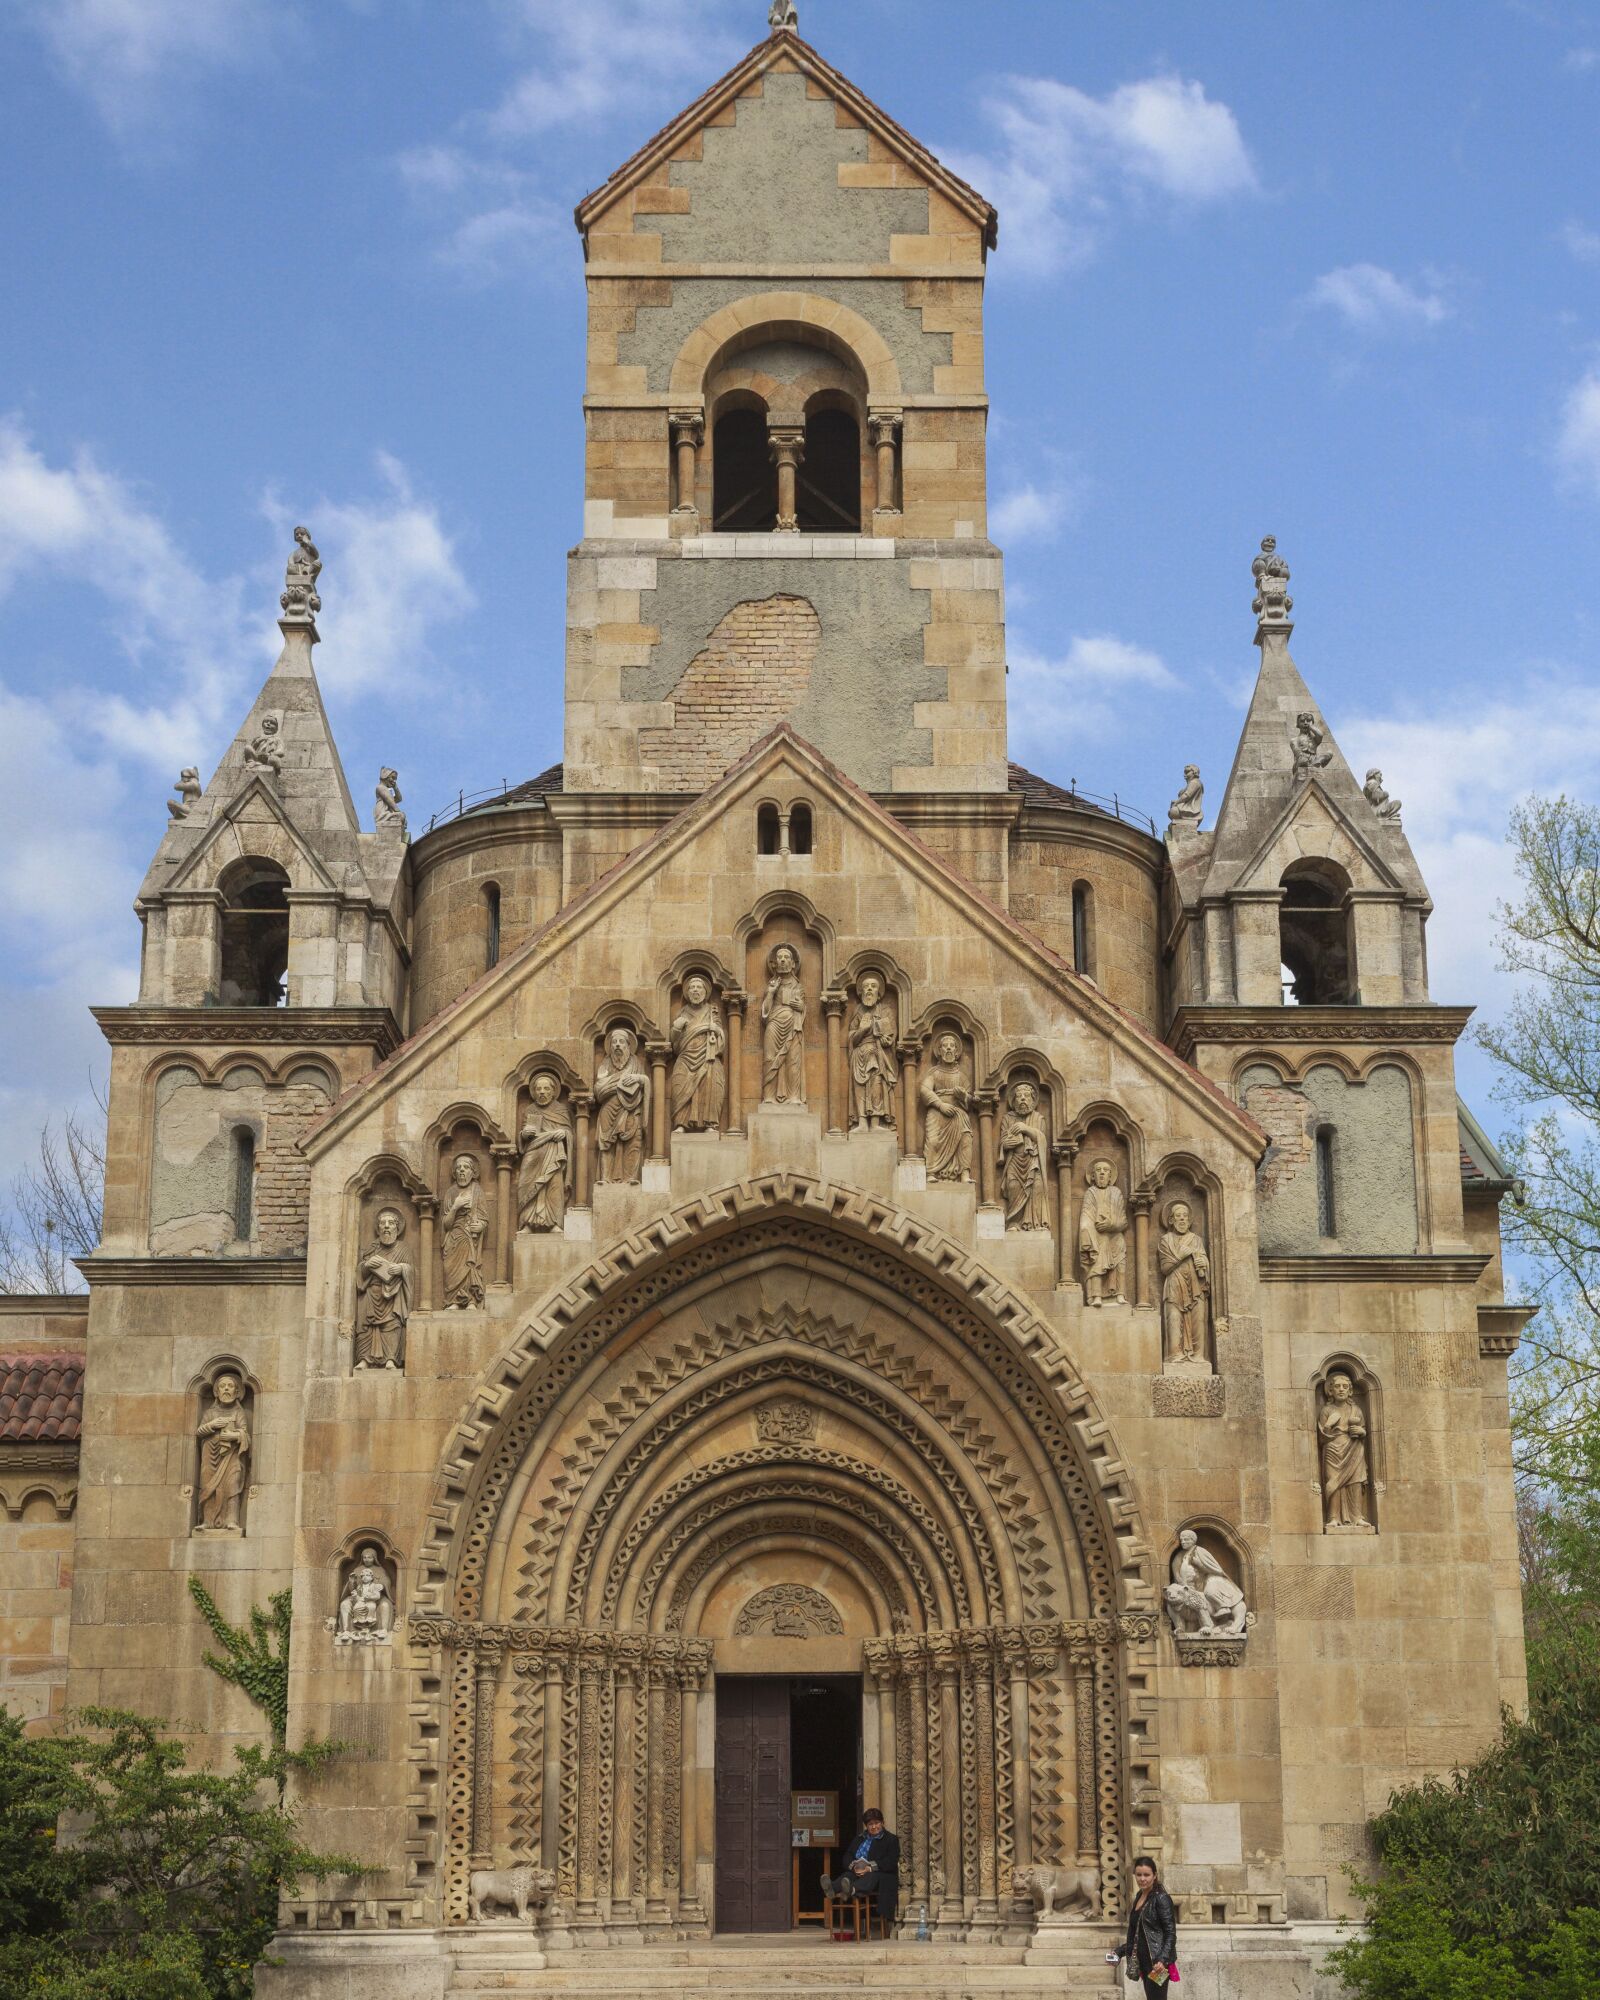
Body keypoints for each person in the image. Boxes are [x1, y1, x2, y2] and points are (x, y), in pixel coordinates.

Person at [821, 1808, 899, 1934]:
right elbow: (847, 1856)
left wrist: (869, 1868)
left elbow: (890, 1862)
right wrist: (854, 1867)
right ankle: (832, 1888)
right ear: (866, 1826)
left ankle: (852, 1889)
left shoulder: (891, 1839)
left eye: (876, 1823)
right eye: (870, 1824)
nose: (874, 1827)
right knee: (848, 1874)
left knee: (872, 1876)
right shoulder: (860, 1838)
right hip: (858, 1871)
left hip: (881, 1875)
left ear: (882, 1823)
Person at [1110, 1855, 1177, 1996]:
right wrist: (1119, 1952)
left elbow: (1170, 1933)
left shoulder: (1161, 1898)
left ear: (1154, 1876)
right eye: (1139, 1875)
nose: (1142, 1879)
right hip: (1143, 1961)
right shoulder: (1139, 1896)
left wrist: (1162, 1959)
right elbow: (1137, 1934)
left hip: (1157, 1963)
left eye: (1146, 1875)